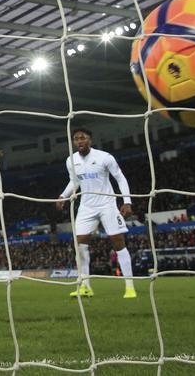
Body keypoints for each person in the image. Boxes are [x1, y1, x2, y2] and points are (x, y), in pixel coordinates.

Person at [55, 127, 135, 299]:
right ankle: (85, 286)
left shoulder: (104, 157)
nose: (79, 141)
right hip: (86, 206)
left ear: (90, 140)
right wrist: (63, 195)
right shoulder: (71, 160)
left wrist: (127, 201)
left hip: (107, 204)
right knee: (80, 245)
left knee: (118, 242)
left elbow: (120, 178)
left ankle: (129, 286)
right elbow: (74, 181)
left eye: (82, 138)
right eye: (76, 139)